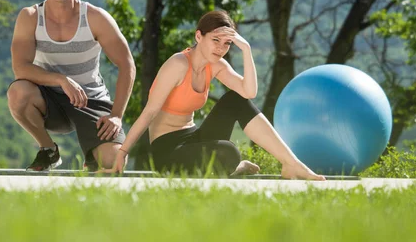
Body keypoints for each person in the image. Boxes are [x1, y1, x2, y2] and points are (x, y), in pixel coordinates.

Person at [103, 10, 325, 180]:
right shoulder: (178, 64)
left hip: (193, 138)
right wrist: (122, 152)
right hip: (168, 151)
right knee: (229, 152)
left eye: (227, 43)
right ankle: (235, 167)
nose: (220, 48)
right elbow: (150, 111)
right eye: (215, 40)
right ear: (199, 36)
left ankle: (291, 163)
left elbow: (249, 92)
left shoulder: (217, 65)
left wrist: (246, 49)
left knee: (235, 99)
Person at [7, 0, 135, 171]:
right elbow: (21, 69)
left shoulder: (96, 18)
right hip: (49, 100)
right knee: (18, 92)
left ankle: (93, 156)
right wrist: (61, 80)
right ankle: (48, 150)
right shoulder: (30, 17)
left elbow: (127, 65)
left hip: (91, 100)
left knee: (114, 164)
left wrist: (116, 116)